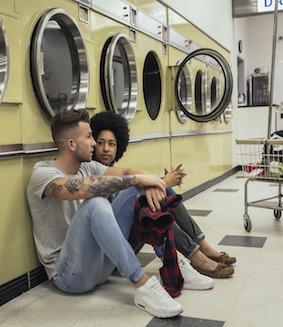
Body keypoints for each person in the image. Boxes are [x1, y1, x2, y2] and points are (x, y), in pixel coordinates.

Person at [27, 109, 182, 318]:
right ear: (72, 144)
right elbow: (81, 188)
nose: (94, 143)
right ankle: (143, 285)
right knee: (96, 203)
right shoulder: (42, 173)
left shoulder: (88, 167)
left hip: (101, 266)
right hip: (70, 276)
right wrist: (138, 179)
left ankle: (175, 263)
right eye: (89, 137)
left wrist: (148, 182)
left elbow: (129, 172)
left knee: (134, 189)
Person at [90, 111, 236, 281]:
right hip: (109, 248)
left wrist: (162, 184)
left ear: (119, 147)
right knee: (150, 202)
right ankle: (196, 257)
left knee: (163, 192)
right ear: (92, 144)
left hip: (127, 240)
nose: (106, 148)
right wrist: (163, 182)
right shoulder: (90, 172)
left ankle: (202, 246)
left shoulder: (115, 171)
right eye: (100, 143)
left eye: (112, 144)